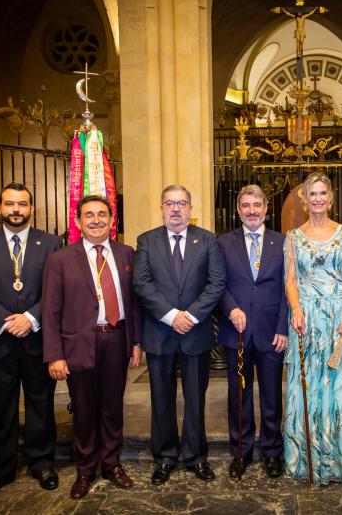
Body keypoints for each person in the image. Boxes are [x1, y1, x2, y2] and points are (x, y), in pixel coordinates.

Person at [42, 194, 143, 500]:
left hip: (117, 339)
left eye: (102, 214)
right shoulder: (60, 259)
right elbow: (50, 310)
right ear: (78, 221)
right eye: (89, 215)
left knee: (113, 407)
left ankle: (112, 464)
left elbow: (135, 302)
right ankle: (85, 468)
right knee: (84, 409)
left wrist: (136, 341)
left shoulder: (127, 254)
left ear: (113, 220)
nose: (96, 219)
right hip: (79, 344)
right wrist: (54, 354)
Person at [0, 182, 64, 499]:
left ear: (32, 209)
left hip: (37, 340)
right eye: (10, 204)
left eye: (22, 204)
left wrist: (31, 318)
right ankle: (2, 468)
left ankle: (41, 463)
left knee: (41, 406)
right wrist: (3, 320)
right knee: (2, 409)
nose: (16, 210)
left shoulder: (51, 244)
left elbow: (55, 290)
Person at [132, 185, 226, 485]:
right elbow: (142, 283)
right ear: (161, 207)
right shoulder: (146, 241)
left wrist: (192, 316)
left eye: (182, 203)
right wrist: (172, 316)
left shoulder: (208, 241)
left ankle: (196, 457)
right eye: (170, 203)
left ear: (190, 207)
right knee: (161, 399)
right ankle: (165, 457)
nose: (176, 209)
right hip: (161, 332)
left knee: (196, 400)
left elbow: (216, 283)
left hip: (195, 333)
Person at [283, 172, 342, 485]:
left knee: (340, 386)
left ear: (330, 198)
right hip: (307, 320)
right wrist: (295, 310)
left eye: (323, 193)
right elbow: (290, 280)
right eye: (312, 194)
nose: (318, 199)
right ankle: (309, 458)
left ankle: (341, 458)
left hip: (338, 320)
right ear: (304, 200)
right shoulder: (293, 237)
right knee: (309, 388)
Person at [217, 185, 287, 479]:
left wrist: (283, 327)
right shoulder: (223, 243)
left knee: (272, 396)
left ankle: (272, 452)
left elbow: (289, 288)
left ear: (266, 208)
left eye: (257, 205)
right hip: (239, 333)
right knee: (239, 396)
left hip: (272, 333)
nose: (252, 211)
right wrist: (231, 308)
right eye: (246, 205)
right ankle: (241, 452)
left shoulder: (283, 242)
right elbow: (217, 283)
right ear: (238, 210)